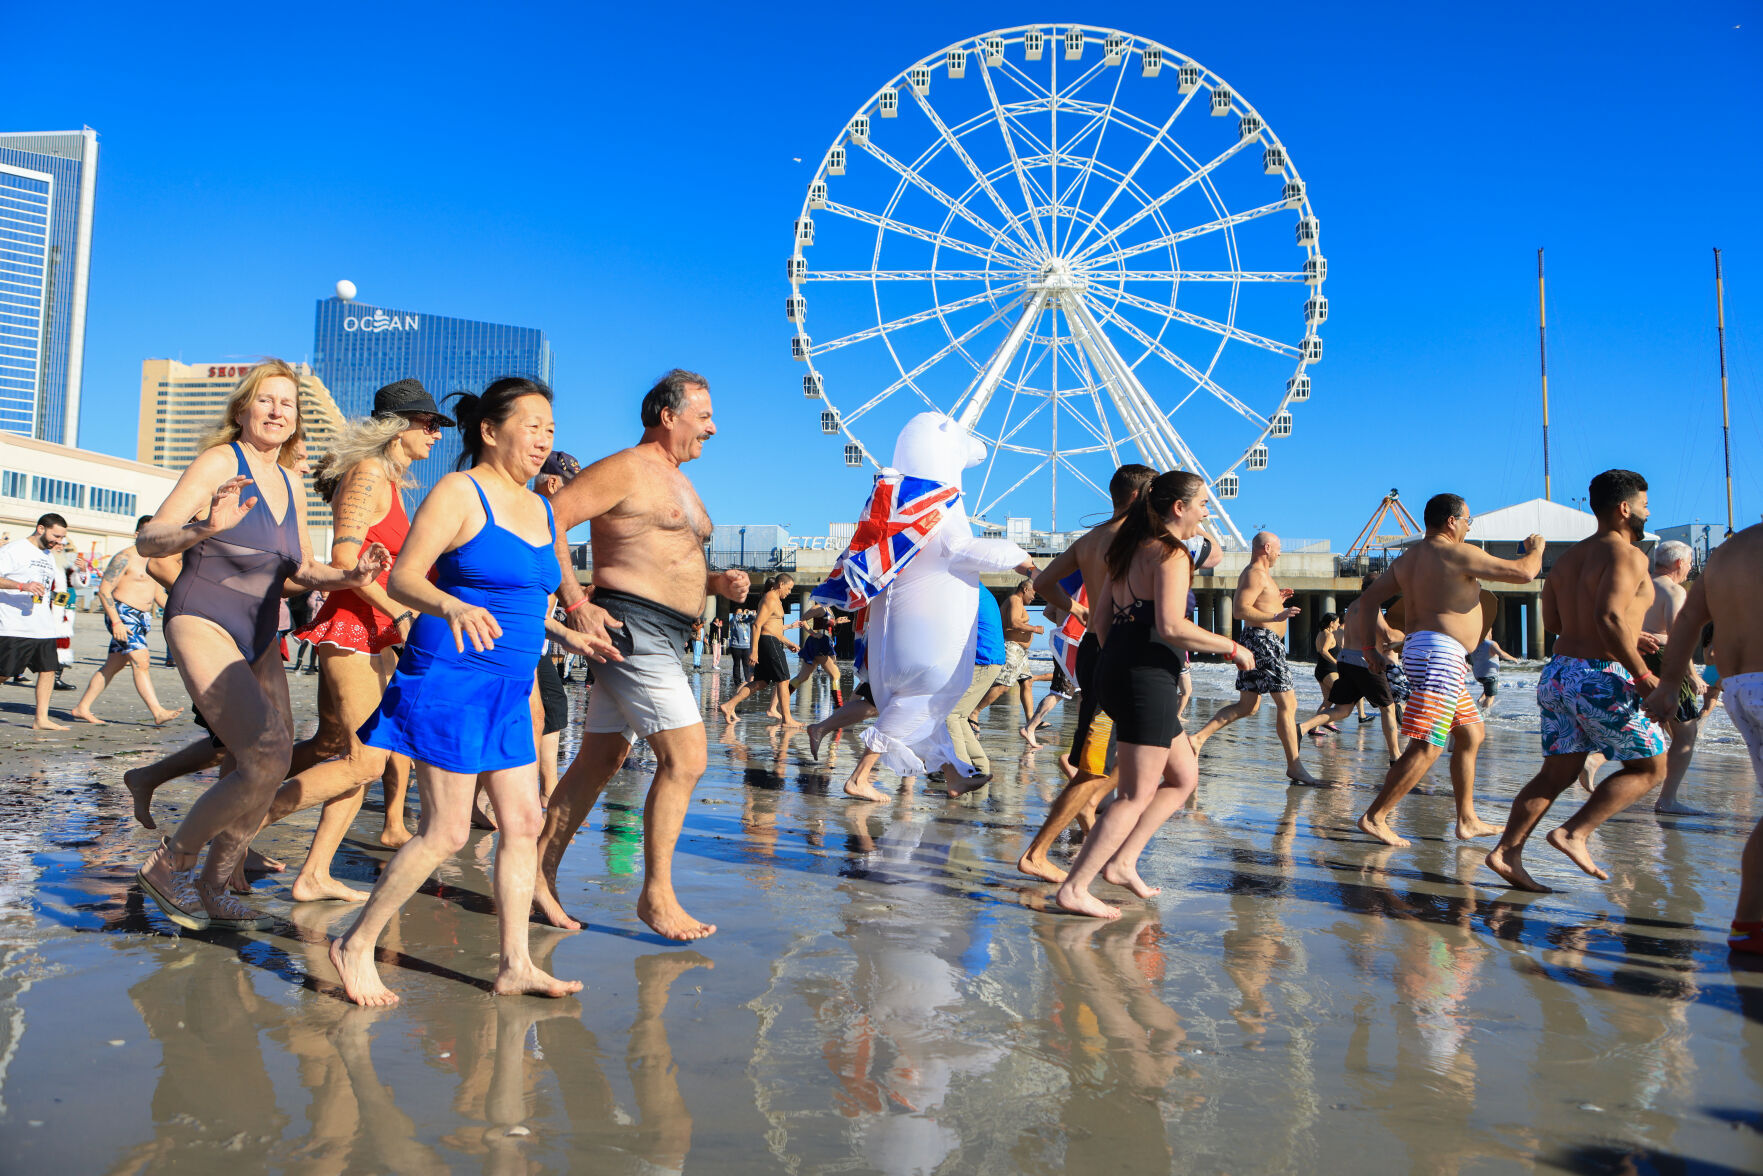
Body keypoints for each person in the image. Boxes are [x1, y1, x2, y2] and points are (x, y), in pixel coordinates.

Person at [331, 376, 592, 1005]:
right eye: (531, 426)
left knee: (524, 821)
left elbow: (523, 596)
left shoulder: (541, 507)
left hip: (509, 684)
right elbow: (404, 577)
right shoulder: (460, 491)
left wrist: (567, 634)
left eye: (550, 429)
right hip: (452, 675)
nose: (543, 440)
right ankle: (355, 943)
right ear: (490, 430)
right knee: (447, 831)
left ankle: (515, 963)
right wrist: (450, 606)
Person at [132, 360, 390, 931]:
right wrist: (203, 527)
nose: (277, 411)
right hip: (202, 615)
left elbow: (298, 571)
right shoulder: (222, 462)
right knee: (269, 750)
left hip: (260, 633)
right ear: (244, 409)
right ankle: (170, 861)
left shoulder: (291, 482)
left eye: (287, 404)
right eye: (266, 401)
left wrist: (351, 579)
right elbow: (150, 539)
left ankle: (214, 884)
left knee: (269, 766)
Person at [536, 369, 748, 941]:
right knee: (687, 758)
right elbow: (548, 521)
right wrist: (575, 600)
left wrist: (715, 585)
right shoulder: (626, 468)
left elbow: (664, 561)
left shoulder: (678, 480)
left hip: (666, 634)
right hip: (632, 630)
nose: (713, 427)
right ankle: (656, 896)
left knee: (599, 760)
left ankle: (536, 872)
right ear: (668, 415)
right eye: (703, 416)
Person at [226, 384, 447, 899]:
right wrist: (403, 612)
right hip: (353, 626)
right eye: (428, 424)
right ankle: (232, 835)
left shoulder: (389, 481)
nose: (435, 435)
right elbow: (345, 560)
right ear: (399, 426)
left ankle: (313, 873)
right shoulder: (368, 474)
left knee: (344, 753)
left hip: (377, 631)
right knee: (366, 760)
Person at [1054, 472, 1255, 918]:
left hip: (1122, 669)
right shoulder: (1169, 553)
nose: (1208, 511)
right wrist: (1233, 646)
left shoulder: (1128, 551)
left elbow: (1101, 621)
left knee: (1183, 777)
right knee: (1134, 794)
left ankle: (1123, 863)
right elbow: (1171, 626)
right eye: (1203, 503)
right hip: (1147, 678)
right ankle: (1075, 887)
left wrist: (1120, 663)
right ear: (1178, 508)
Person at [1483, 470, 1668, 890]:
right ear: (1625, 509)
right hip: (1600, 676)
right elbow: (1608, 617)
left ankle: (1506, 852)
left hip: (1559, 674)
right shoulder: (1628, 554)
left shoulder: (1566, 560)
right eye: (1644, 503)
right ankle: (1574, 832)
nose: (1647, 511)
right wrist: (1641, 674)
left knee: (1556, 774)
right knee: (1651, 767)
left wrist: (1630, 630)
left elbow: (1556, 622)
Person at [1355, 494, 1542, 847]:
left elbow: (1368, 600)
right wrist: (1537, 547)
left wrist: (1369, 648)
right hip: (1438, 656)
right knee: (1428, 744)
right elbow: (1525, 572)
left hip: (1431, 653)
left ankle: (1467, 819)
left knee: (1471, 734)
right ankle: (1375, 817)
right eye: (1468, 519)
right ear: (1452, 521)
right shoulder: (1458, 552)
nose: (1469, 525)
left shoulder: (1408, 559)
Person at [1019, 464, 1158, 883]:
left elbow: (1042, 583)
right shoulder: (1131, 540)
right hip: (1113, 654)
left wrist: (1078, 607)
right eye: (1154, 494)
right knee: (1095, 768)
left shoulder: (1091, 539)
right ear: (1137, 498)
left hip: (1102, 649)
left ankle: (1095, 820)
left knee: (1139, 757)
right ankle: (1037, 852)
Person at [1643, 523, 1763, 954]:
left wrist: (1670, 684)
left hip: (1742, 687)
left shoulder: (1730, 552)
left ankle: (1749, 927)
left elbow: (1691, 623)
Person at [1190, 532, 1323, 785]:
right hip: (1263, 642)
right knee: (1288, 704)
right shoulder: (1255, 573)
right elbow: (1240, 610)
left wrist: (1277, 601)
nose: (1280, 553)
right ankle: (1294, 766)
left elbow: (1256, 605)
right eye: (1279, 548)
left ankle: (1197, 739)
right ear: (1268, 548)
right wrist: (1276, 617)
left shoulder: (1262, 576)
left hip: (1259, 642)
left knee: (1248, 706)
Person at [69, 515, 185, 725]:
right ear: (137, 534)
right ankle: (157, 711)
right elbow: (104, 590)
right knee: (141, 662)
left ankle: (81, 707)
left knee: (113, 665)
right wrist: (116, 621)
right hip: (123, 614)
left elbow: (158, 595)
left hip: (142, 617)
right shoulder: (125, 557)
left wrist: (180, 613)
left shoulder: (155, 561)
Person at [0, 513, 82, 729]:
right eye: (56, 535)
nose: (59, 541)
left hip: (43, 626)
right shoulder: (14, 550)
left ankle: (41, 718)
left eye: (62, 537)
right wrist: (21, 586)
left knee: (47, 670)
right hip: (13, 625)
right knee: (4, 672)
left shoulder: (47, 554)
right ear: (40, 529)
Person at [1298, 595, 1403, 762]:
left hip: (1346, 660)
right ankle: (1395, 756)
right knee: (1388, 707)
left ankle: (1302, 728)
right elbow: (1389, 635)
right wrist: (1405, 634)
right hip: (1363, 662)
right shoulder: (1372, 604)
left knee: (1342, 710)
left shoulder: (1354, 605)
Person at [1644, 540, 1707, 814]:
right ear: (1679, 563)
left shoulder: (1640, 586)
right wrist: (1692, 675)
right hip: (1664, 659)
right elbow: (1678, 637)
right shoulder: (1673, 591)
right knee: (1687, 732)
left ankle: (1595, 760)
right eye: (1690, 564)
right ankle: (1667, 800)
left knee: (1657, 721)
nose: (1690, 569)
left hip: (1637, 659)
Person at [935, 587, 1006, 791]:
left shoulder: (965, 590)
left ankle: (964, 773)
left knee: (950, 714)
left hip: (983, 659)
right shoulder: (976, 589)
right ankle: (980, 767)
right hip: (987, 658)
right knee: (958, 716)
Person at [718, 574, 798, 725]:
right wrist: (754, 651)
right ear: (781, 584)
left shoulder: (776, 600)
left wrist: (788, 642)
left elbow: (775, 628)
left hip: (771, 640)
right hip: (768, 642)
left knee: (761, 682)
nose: (789, 592)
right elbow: (757, 625)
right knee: (784, 679)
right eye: (788, 588)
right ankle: (787, 719)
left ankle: (729, 706)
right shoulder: (770, 599)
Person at [968, 579, 1042, 730]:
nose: (1034, 597)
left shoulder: (1019, 603)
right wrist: (1034, 629)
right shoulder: (1015, 599)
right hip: (1011, 648)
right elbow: (1014, 622)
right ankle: (974, 712)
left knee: (1027, 682)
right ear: (1025, 589)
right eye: (1033, 593)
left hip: (1021, 652)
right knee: (1003, 685)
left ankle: (1031, 721)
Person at [786, 601, 847, 706]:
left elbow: (827, 625)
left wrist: (836, 622)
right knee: (835, 674)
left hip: (824, 642)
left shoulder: (828, 608)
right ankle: (839, 706)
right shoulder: (818, 608)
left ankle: (781, 698)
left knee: (803, 677)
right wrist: (813, 634)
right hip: (820, 643)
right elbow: (803, 619)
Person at [1470, 636, 1519, 713]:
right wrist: (1514, 659)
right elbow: (1502, 654)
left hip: (1478, 675)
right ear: (1488, 632)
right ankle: (1483, 714)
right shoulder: (1491, 643)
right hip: (1490, 675)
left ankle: (1480, 700)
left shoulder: (1475, 643)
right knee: (1490, 696)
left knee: (1495, 685)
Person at [1310, 612, 1341, 728]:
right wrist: (1336, 662)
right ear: (1331, 623)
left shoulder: (1320, 634)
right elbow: (1324, 650)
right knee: (1341, 695)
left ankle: (1314, 728)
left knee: (1327, 701)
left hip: (1320, 670)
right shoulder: (1329, 635)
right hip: (1329, 670)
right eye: (1337, 622)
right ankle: (1328, 721)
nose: (1338, 625)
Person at [726, 607, 754, 688]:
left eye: (741, 613)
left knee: (746, 665)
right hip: (736, 646)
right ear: (735, 614)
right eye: (739, 613)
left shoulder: (746, 621)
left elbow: (753, 619)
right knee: (737, 664)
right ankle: (737, 682)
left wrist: (750, 613)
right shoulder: (734, 621)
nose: (741, 614)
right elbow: (734, 619)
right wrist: (741, 614)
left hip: (746, 646)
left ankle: (747, 681)